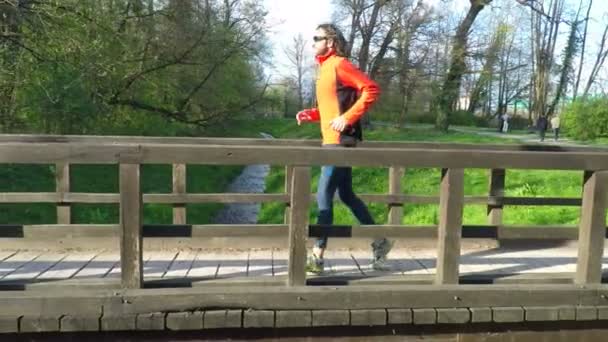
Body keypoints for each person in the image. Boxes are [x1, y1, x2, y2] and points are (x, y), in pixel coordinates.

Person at [295, 23, 393, 274]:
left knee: (323, 196)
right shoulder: (324, 68)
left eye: (317, 38)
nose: (313, 42)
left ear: (330, 41)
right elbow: (332, 108)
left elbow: (371, 89)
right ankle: (380, 242)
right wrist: (312, 114)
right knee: (347, 195)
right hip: (331, 139)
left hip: (341, 141)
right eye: (313, 37)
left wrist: (348, 119)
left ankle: (317, 256)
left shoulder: (340, 64)